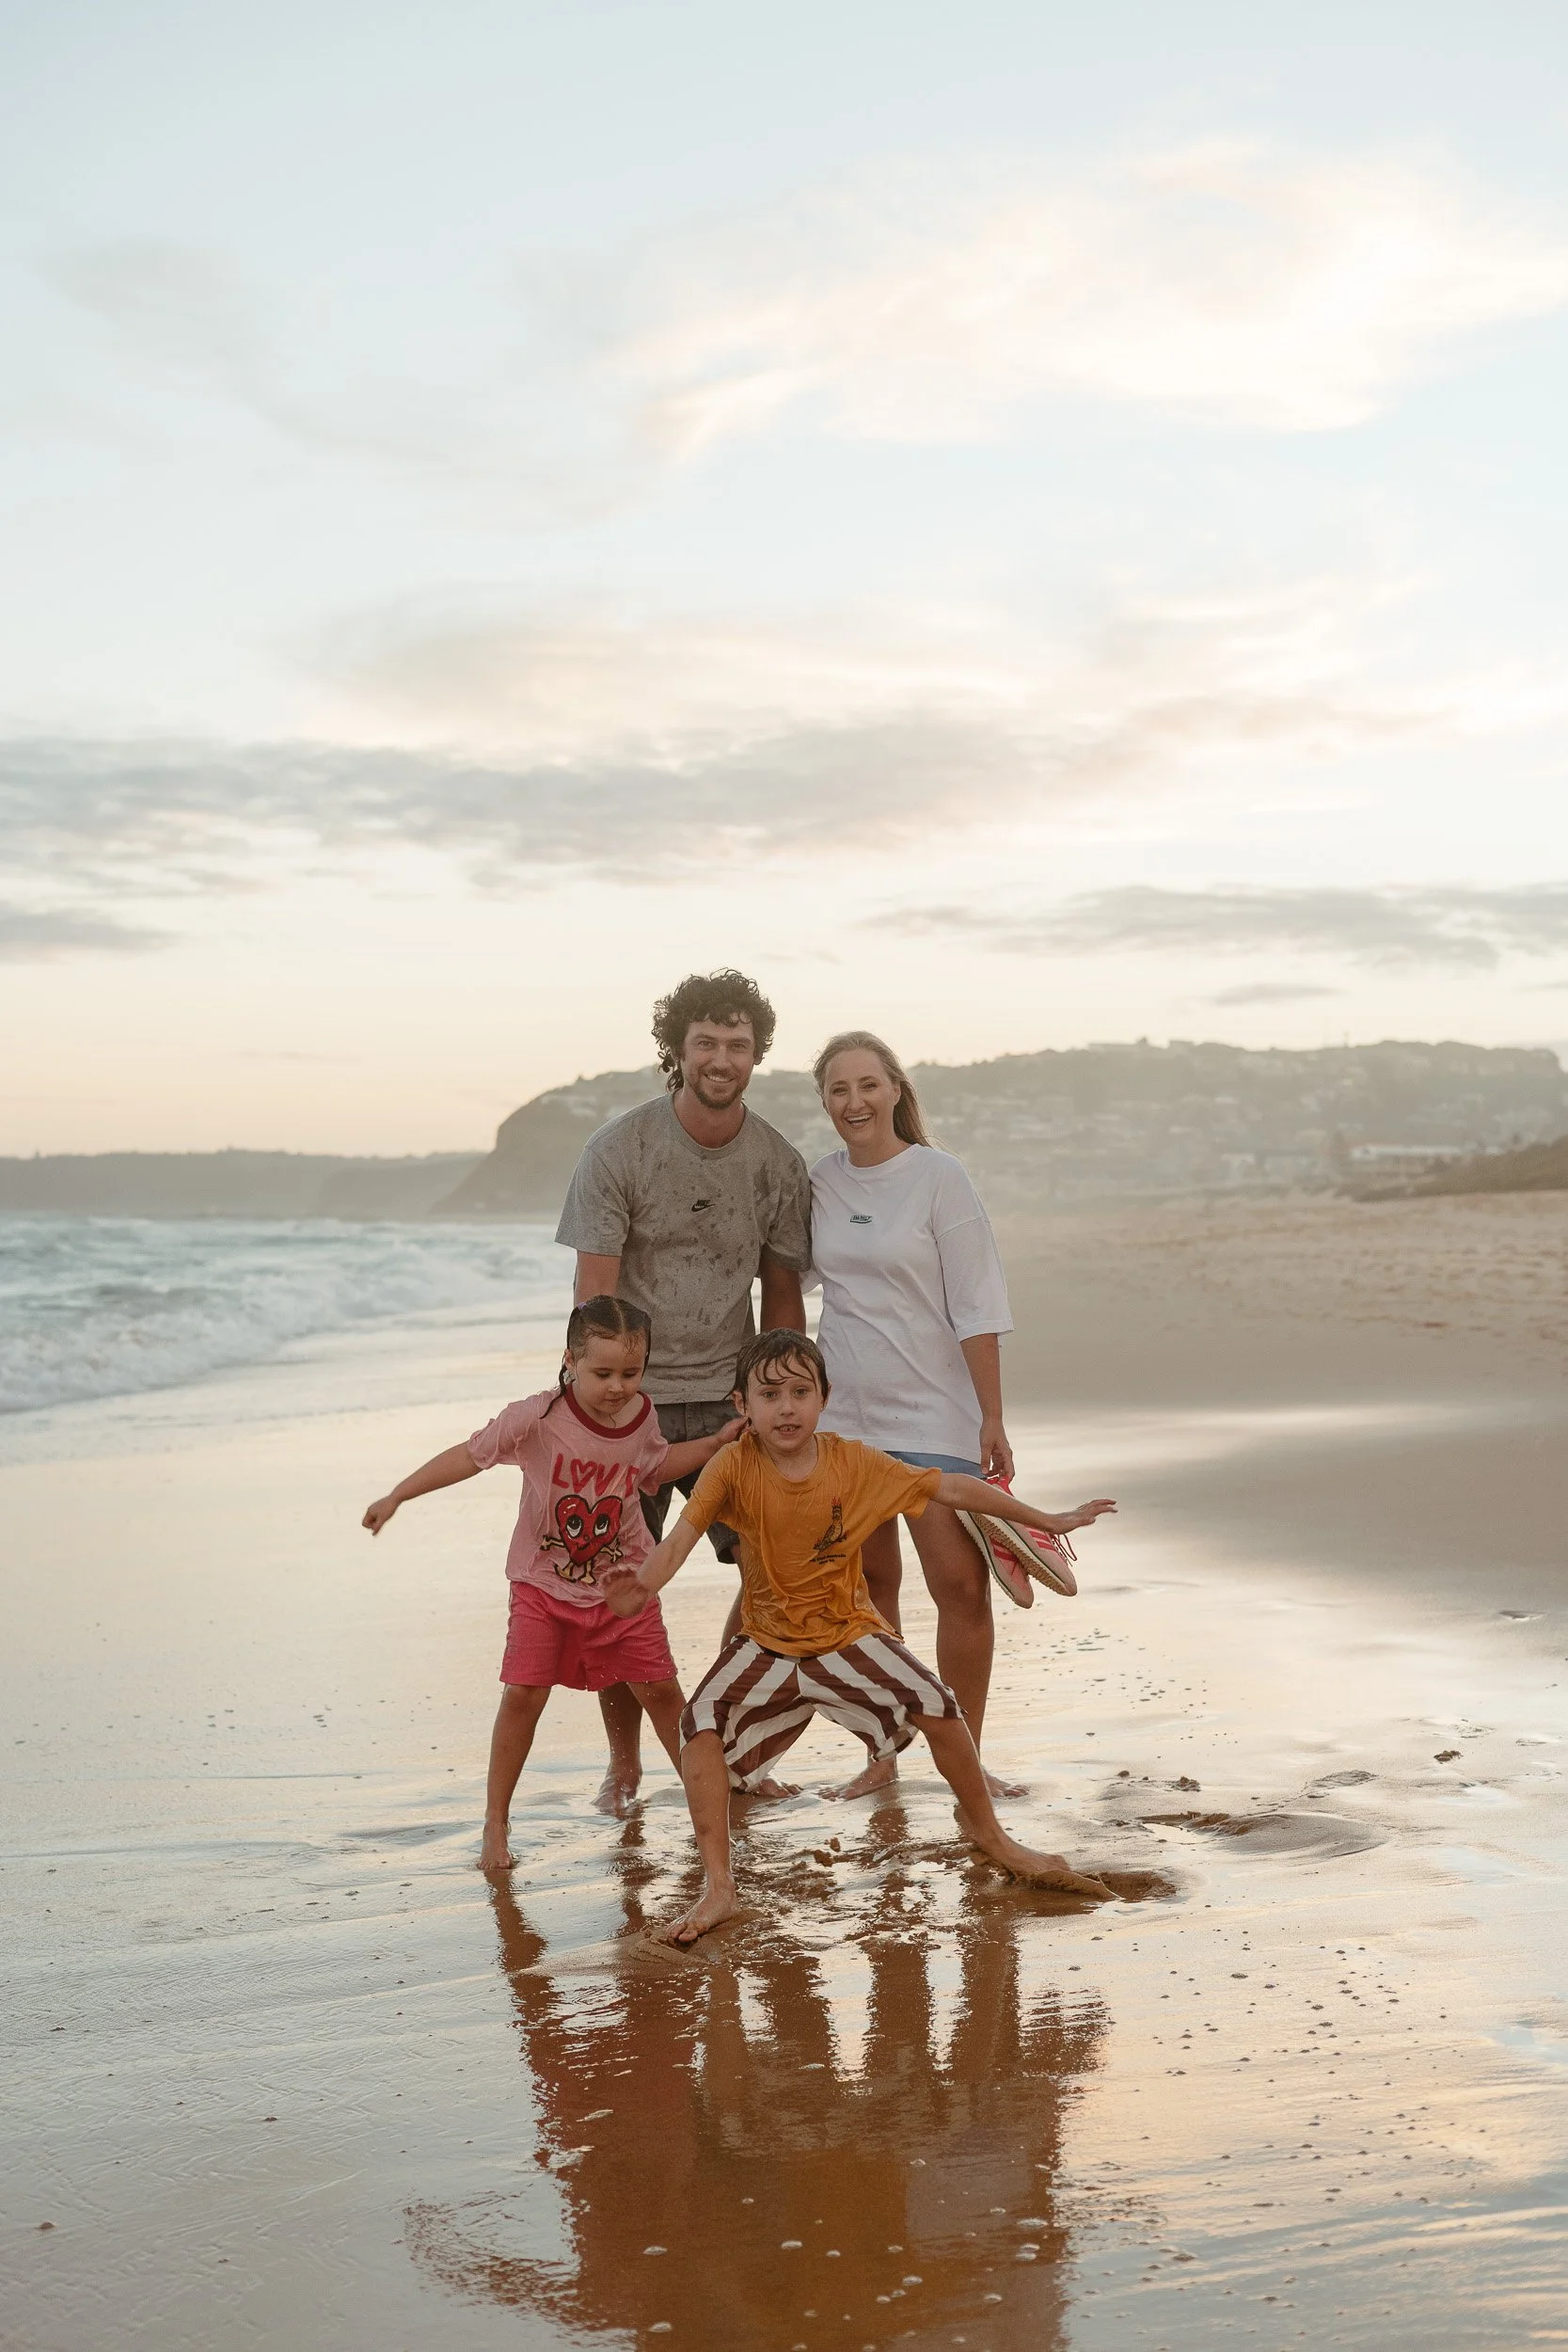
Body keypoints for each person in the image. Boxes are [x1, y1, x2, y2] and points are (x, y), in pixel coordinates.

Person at [601, 1329, 1117, 1943]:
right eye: (769, 1395)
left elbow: (946, 1487)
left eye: (800, 1392)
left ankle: (988, 1834)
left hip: (848, 1637)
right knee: (699, 1727)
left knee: (938, 1707)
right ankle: (718, 1888)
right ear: (741, 1406)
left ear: (824, 1399)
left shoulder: (852, 1462)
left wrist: (1046, 1517)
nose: (786, 1407)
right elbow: (680, 1540)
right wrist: (641, 1588)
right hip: (765, 1643)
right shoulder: (731, 1467)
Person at [360, 1295, 738, 1873]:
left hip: (625, 1584)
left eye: (631, 1374)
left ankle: (707, 1816)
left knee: (663, 1693)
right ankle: (496, 1824)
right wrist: (398, 1496)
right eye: (603, 1373)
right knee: (523, 1696)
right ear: (570, 1360)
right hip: (543, 1586)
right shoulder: (535, 1418)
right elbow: (468, 1456)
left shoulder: (641, 1415)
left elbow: (654, 1468)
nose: (617, 1387)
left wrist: (712, 1445)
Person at [555, 969, 811, 1813]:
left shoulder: (775, 1161)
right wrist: (596, 1414)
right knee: (616, 1588)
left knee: (772, 1576)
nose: (721, 1058)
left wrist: (782, 1398)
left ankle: (722, 1733)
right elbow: (594, 1305)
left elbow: (781, 1297)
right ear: (679, 1049)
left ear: (755, 1055)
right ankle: (624, 1763)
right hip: (635, 1406)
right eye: (706, 1042)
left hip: (733, 1399)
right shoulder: (620, 1150)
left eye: (738, 1045)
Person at [806, 1028, 1024, 1800]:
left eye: (867, 1085)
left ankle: (966, 1754)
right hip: (845, 1418)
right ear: (825, 1103)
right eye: (837, 1090)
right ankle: (882, 1753)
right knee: (865, 1587)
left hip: (935, 1412)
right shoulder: (820, 1183)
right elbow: (783, 1279)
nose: (854, 1102)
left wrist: (990, 1416)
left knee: (960, 1587)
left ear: (895, 1089)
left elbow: (976, 1302)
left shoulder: (940, 1178)